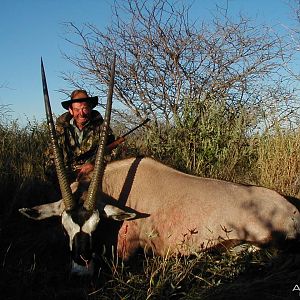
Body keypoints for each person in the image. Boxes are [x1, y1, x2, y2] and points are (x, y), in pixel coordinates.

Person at [44, 89, 115, 183]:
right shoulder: (59, 130)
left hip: (93, 177)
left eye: (84, 108)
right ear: (71, 110)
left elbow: (112, 152)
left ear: (90, 108)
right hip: (65, 181)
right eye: (76, 109)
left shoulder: (103, 128)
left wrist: (94, 164)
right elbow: (50, 160)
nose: (81, 113)